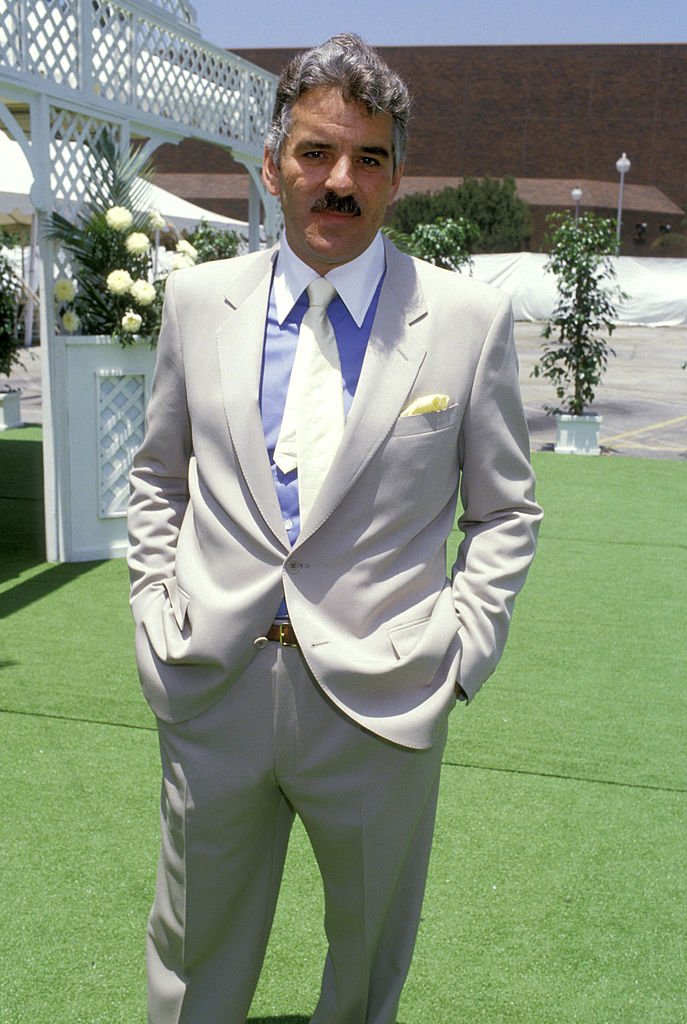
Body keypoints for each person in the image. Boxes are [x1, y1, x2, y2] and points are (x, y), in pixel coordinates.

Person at [128, 33, 543, 1024]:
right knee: (190, 965)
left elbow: (506, 510)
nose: (339, 181)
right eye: (316, 153)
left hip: (383, 703)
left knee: (364, 975)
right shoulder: (195, 305)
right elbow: (155, 479)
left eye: (369, 158)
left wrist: (459, 652)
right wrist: (156, 609)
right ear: (273, 166)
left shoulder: (465, 322)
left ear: (398, 177)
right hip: (214, 689)